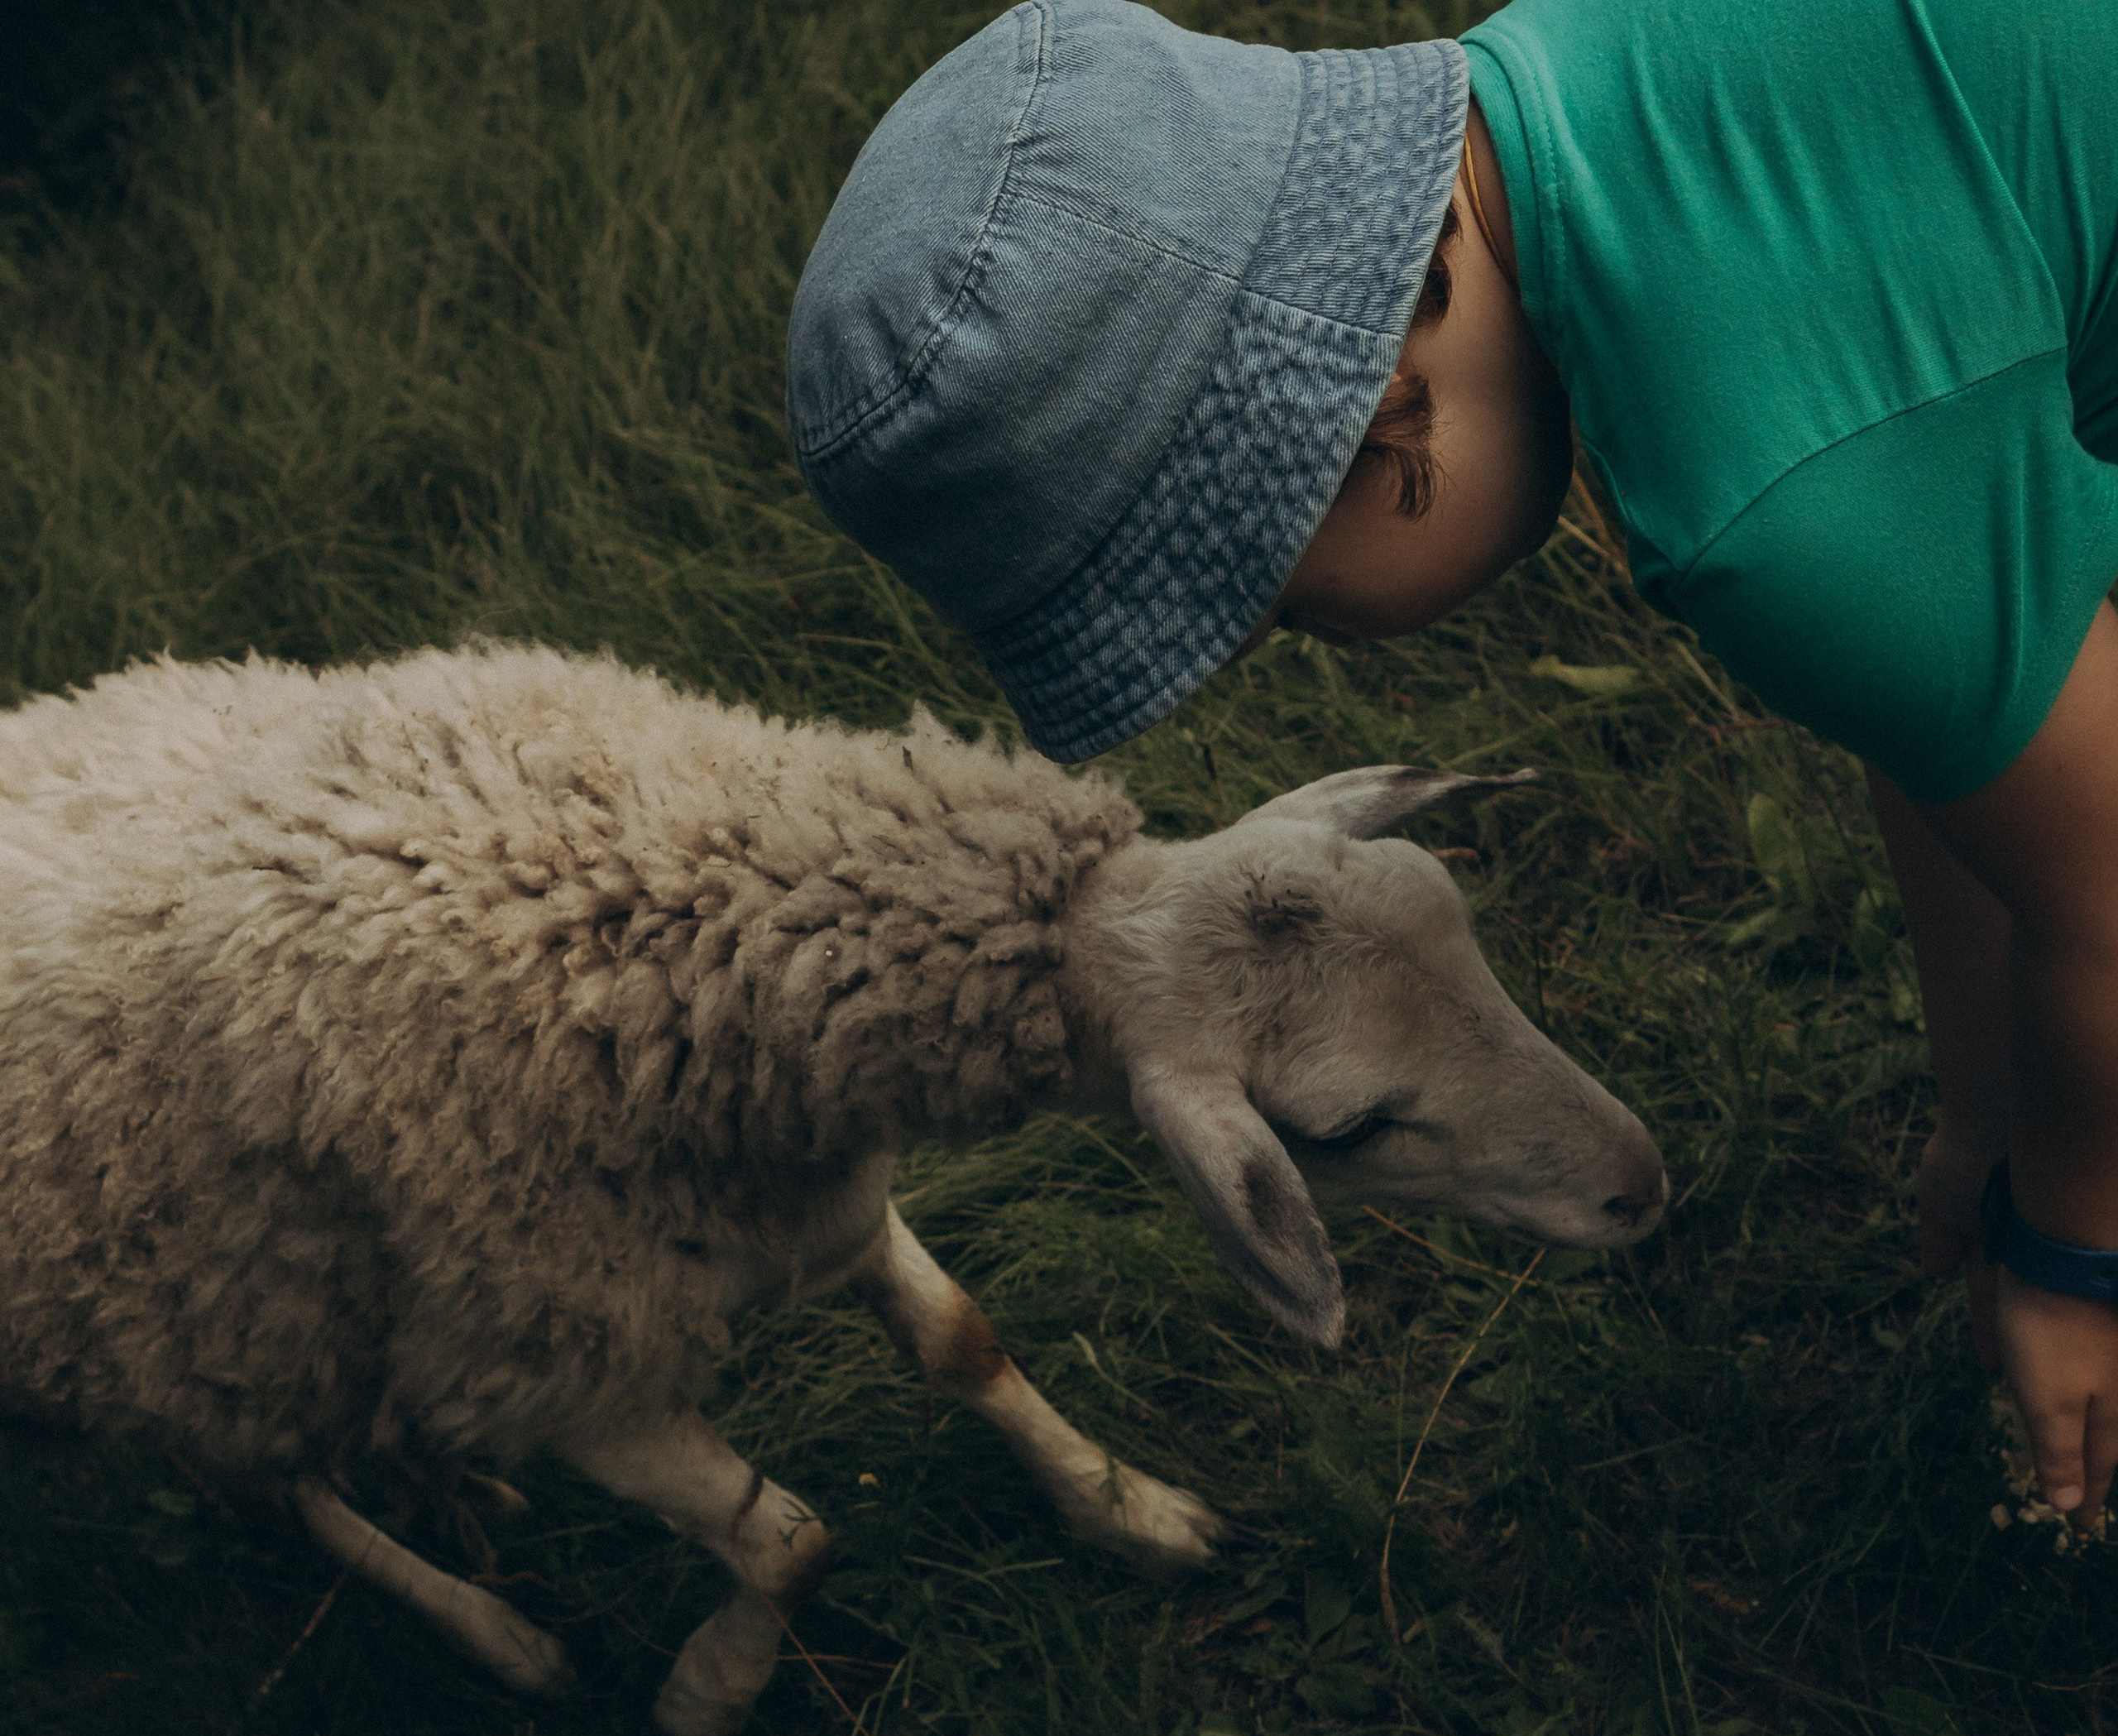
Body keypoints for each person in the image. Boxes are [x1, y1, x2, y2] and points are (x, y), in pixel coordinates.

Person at [783, 0, 2118, 1529]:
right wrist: (1992, 1104)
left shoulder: (1774, 510)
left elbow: (2110, 887)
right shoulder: (1603, 82)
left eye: (1269, 601)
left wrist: (2085, 1251)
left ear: (1348, 426)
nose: (1313, 646)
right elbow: (1970, 726)